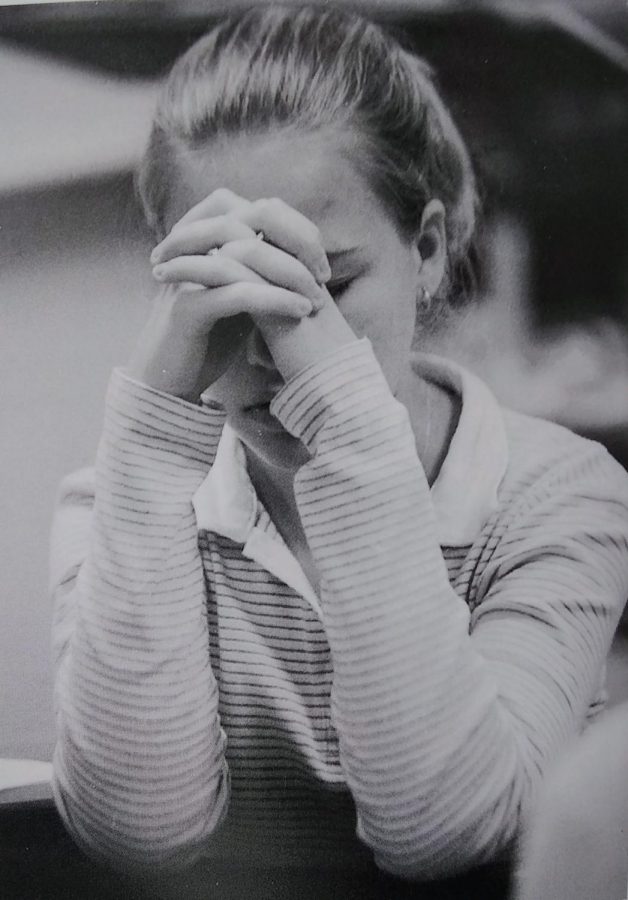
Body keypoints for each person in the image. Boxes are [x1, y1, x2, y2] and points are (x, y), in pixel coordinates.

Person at [49, 3, 628, 885]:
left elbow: (445, 832)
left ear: (427, 250)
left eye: (325, 283)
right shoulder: (121, 498)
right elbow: (137, 838)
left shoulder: (560, 498)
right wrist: (148, 428)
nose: (270, 348)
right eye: (222, 287)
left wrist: (347, 431)